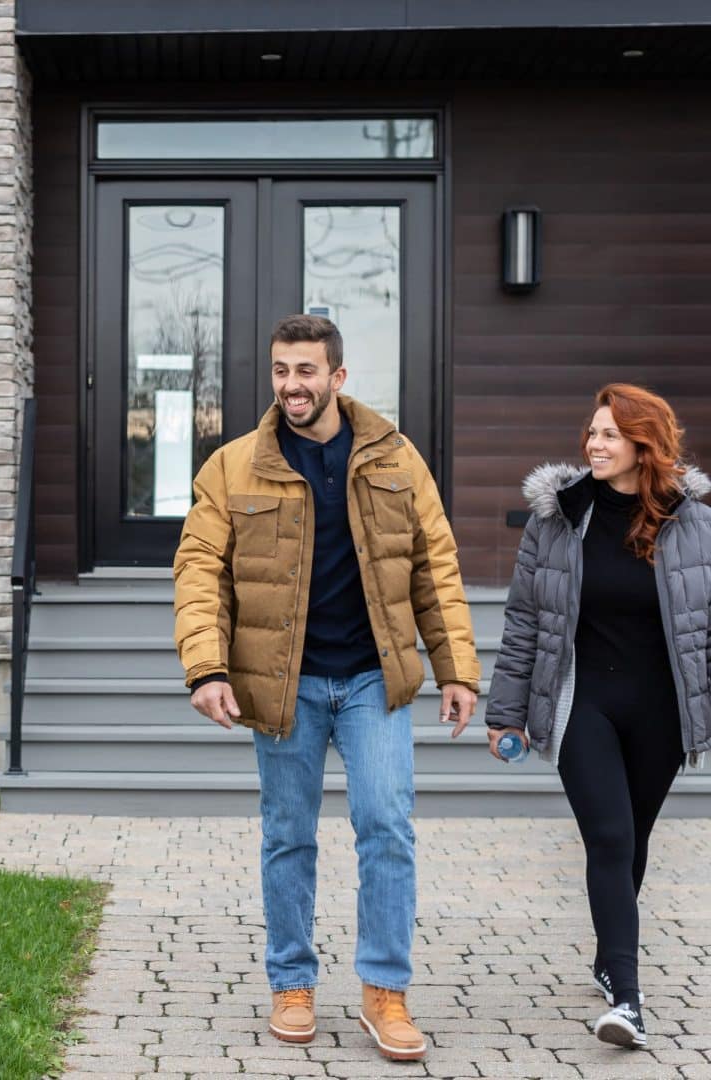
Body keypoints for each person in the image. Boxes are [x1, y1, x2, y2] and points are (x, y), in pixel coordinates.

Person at [173, 313, 481, 1062]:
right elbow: (200, 570)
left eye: (306, 371)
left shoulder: (396, 459)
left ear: (338, 377)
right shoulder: (233, 466)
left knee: (388, 830)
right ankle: (292, 982)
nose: (291, 385)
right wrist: (207, 667)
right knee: (288, 838)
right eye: (281, 370)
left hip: (375, 680)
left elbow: (433, 566)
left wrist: (457, 669)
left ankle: (384, 993)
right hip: (284, 685)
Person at [484, 383, 711, 1050]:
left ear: (646, 445)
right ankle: (629, 1000)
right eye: (591, 433)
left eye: (609, 434)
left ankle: (611, 955)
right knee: (609, 836)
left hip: (661, 713)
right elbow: (526, 620)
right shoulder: (558, 521)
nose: (594, 444)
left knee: (633, 840)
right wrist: (507, 713)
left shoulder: (693, 524)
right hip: (584, 703)